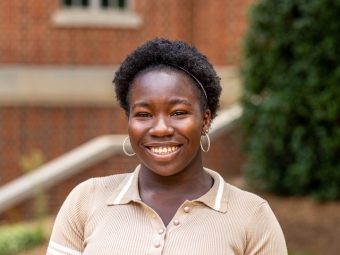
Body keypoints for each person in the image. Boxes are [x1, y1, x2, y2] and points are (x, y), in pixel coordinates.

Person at [47, 38, 287, 255]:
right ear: (129, 122)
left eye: (178, 112)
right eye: (143, 114)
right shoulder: (87, 199)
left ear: (205, 120)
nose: (161, 128)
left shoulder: (252, 216)